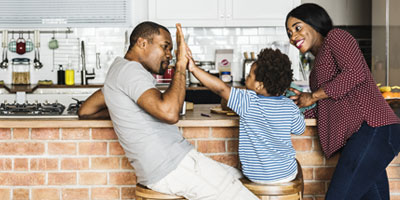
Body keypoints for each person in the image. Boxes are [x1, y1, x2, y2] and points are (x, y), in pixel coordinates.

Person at [101, 21, 259, 200]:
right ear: (142, 43)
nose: (169, 55)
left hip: (173, 162)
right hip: (171, 167)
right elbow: (170, 113)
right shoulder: (131, 70)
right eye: (165, 47)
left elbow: (87, 109)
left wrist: (123, 111)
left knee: (240, 177)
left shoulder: (119, 69)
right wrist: (181, 65)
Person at [285, 3, 400, 200]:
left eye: (297, 27)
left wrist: (312, 96)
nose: (293, 37)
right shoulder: (317, 68)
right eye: (289, 33)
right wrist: (297, 104)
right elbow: (327, 106)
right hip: (362, 137)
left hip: (373, 128)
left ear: (314, 22)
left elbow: (354, 74)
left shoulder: (336, 37)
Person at [187, 47, 305, 183]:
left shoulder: (247, 101)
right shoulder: (289, 106)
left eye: (249, 76)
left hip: (254, 176)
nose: (246, 77)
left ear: (259, 86)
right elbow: (299, 129)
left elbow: (220, 88)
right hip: (285, 175)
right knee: (296, 166)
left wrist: (194, 69)